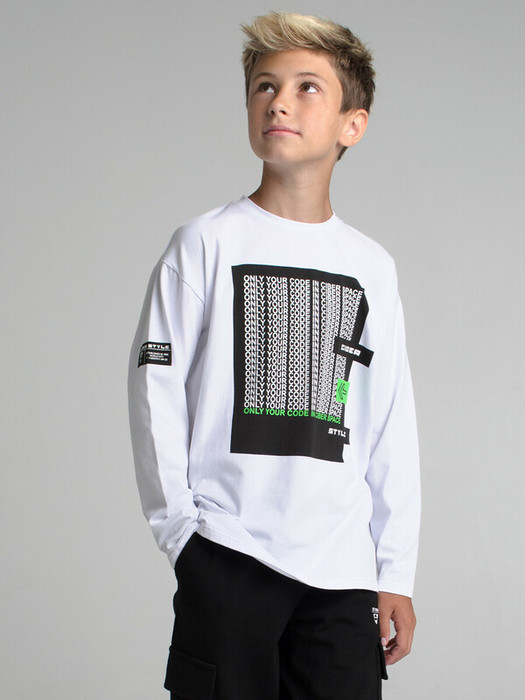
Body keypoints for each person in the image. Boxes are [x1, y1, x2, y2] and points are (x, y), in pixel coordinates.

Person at [128, 11, 420, 700]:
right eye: (264, 85)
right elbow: (154, 393)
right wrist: (183, 535)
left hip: (342, 573)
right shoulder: (204, 244)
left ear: (352, 124)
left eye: (306, 87)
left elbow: (389, 421)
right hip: (229, 554)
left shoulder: (371, 266)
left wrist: (394, 571)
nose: (278, 101)